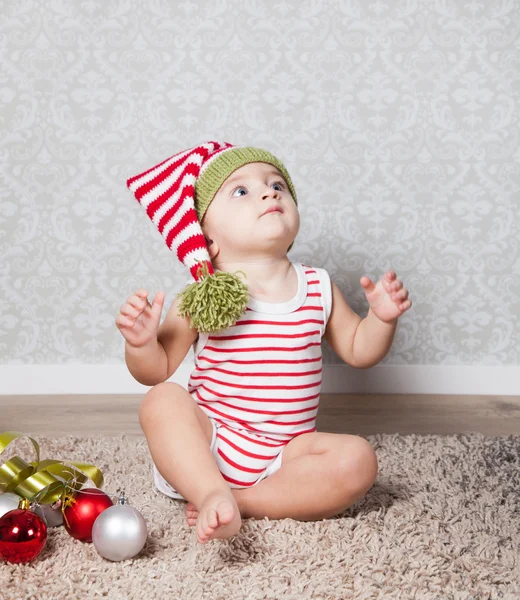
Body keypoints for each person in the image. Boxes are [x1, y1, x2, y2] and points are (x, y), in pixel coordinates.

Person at [116, 141, 412, 545]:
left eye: (278, 185)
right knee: (161, 401)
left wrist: (381, 319)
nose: (270, 192)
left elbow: (360, 351)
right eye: (241, 190)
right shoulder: (204, 291)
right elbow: (157, 369)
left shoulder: (318, 286)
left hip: (286, 457)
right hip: (209, 441)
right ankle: (209, 489)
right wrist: (140, 343)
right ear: (207, 236)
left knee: (359, 460)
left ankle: (242, 501)